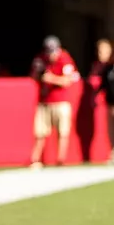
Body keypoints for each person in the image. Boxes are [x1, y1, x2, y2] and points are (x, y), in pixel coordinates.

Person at [31, 36, 79, 169]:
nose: (51, 55)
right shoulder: (40, 59)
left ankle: (60, 159)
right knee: (40, 131)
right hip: (44, 100)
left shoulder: (65, 58)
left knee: (62, 132)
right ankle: (35, 159)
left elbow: (67, 81)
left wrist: (50, 78)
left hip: (61, 101)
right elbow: (34, 76)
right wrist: (39, 76)